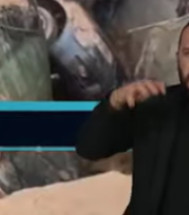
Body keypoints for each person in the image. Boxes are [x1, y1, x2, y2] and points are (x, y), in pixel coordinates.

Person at [76, 21, 189, 215]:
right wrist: (113, 103)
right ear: (177, 57)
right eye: (188, 54)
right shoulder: (156, 107)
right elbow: (89, 147)